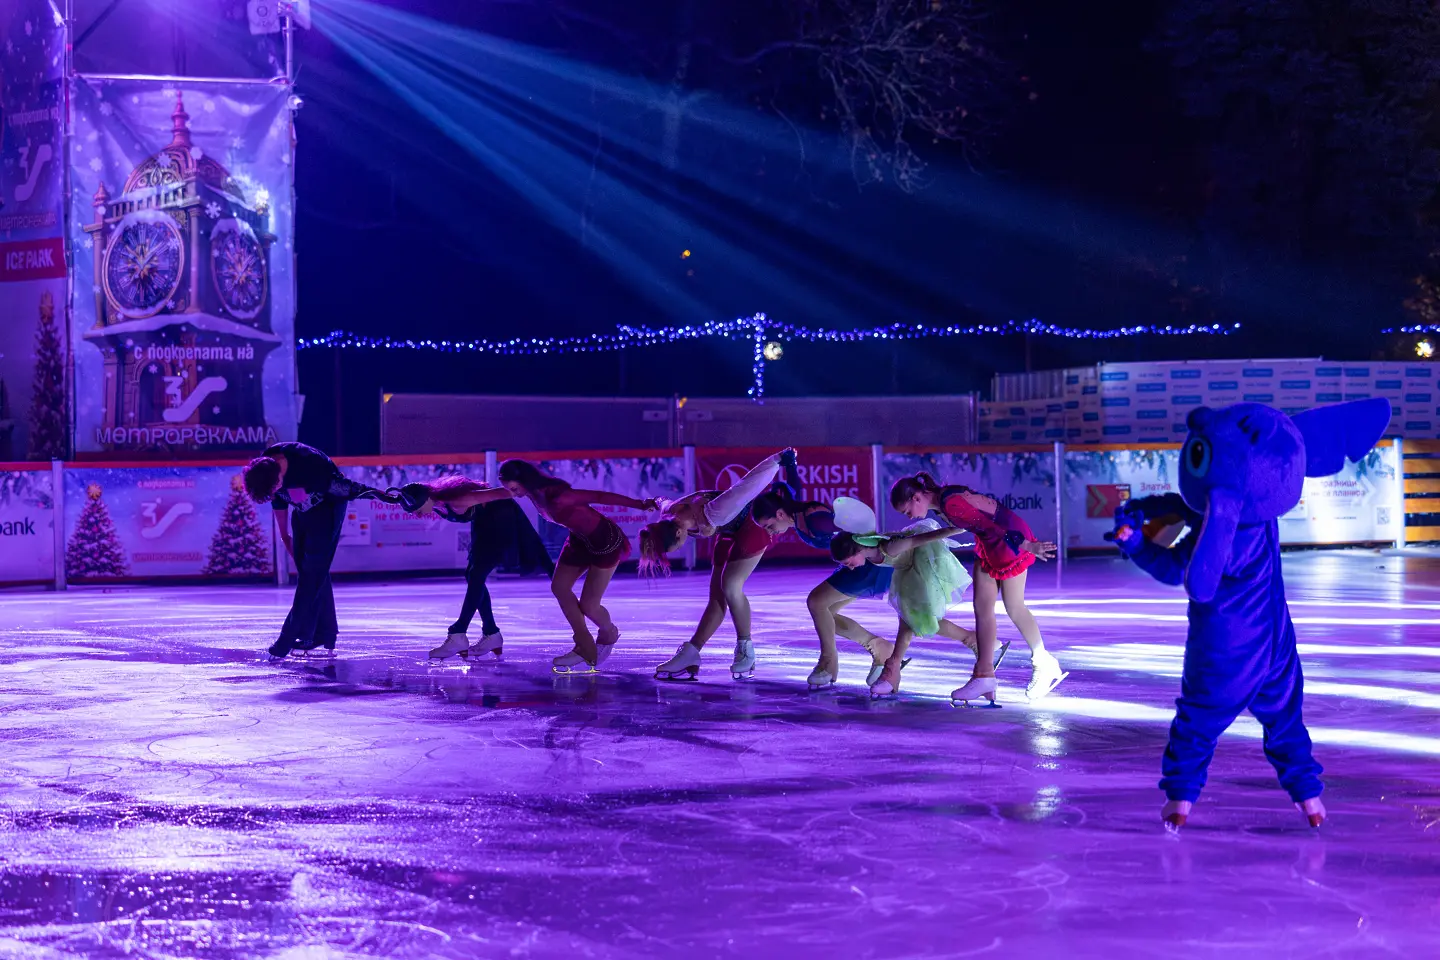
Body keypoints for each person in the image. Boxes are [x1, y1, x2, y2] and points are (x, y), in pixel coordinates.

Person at [751, 490, 1006, 690]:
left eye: (768, 524)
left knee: (818, 603)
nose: (769, 531)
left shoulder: (818, 522)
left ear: (780, 514)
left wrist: (958, 528)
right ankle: (890, 649)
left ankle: (833, 662)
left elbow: (862, 537)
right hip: (868, 562)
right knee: (912, 618)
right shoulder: (802, 519)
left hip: (874, 566)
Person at [890, 473, 1062, 702]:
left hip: (1008, 539)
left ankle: (1043, 662)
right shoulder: (943, 502)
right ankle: (984, 675)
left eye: (907, 511)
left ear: (916, 497)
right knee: (982, 607)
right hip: (991, 541)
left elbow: (991, 526)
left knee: (1014, 607)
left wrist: (1026, 544)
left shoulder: (950, 503)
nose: (909, 516)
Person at [642, 449, 797, 681]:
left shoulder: (715, 511)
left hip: (753, 525)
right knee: (716, 596)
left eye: (676, 546)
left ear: (678, 533)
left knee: (731, 586)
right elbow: (661, 501)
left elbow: (747, 486)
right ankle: (691, 653)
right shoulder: (669, 513)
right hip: (728, 530)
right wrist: (650, 502)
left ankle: (746, 649)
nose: (681, 548)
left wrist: (778, 459)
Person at [497, 459, 658, 673]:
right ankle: (583, 643)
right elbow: (498, 494)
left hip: (604, 542)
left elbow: (599, 497)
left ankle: (608, 633)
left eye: (514, 489)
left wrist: (640, 504)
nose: (513, 494)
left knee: (589, 606)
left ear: (524, 480)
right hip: (579, 540)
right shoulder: (531, 493)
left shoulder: (559, 496)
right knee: (559, 587)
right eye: (509, 489)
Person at [242, 441, 396, 660]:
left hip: (328, 511)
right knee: (312, 573)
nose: (275, 491)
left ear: (278, 476)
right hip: (303, 510)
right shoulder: (267, 466)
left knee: (311, 576)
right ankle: (324, 634)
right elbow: (279, 501)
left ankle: (287, 639)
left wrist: (381, 495)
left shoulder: (310, 465)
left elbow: (347, 488)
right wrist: (285, 535)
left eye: (276, 487)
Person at [387, 479, 554, 660]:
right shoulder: (435, 502)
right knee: (472, 574)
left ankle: (459, 633)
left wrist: (531, 487)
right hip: (484, 523)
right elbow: (404, 498)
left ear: (424, 499)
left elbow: (504, 493)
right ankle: (491, 633)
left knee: (476, 574)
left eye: (417, 510)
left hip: (501, 520)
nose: (417, 515)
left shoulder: (459, 500)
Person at [828, 518, 973, 699]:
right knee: (919, 621)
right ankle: (973, 641)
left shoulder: (889, 549)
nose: (850, 568)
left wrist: (959, 527)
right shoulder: (871, 551)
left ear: (858, 550)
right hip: (905, 572)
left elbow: (924, 538)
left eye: (849, 563)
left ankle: (891, 672)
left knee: (911, 621)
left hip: (921, 569)